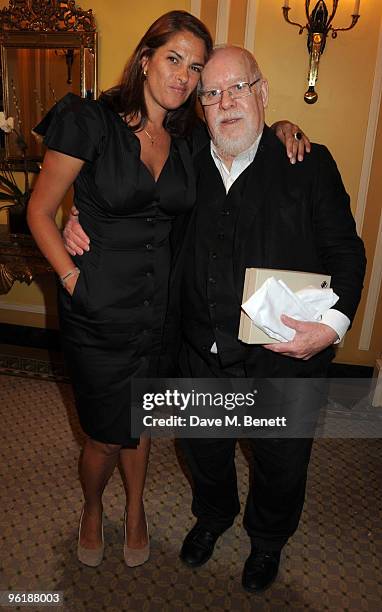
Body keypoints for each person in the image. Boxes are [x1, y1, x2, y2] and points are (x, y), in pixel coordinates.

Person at [37, 11, 309, 571]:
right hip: (98, 307)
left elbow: (242, 132)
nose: (184, 76)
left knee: (143, 424)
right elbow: (38, 210)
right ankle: (93, 506)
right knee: (106, 434)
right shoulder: (90, 121)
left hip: (162, 308)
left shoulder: (188, 136)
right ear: (145, 58)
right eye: (173, 59)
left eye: (195, 67)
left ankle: (135, 508)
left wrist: (282, 125)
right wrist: (70, 275)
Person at [173, 46, 366, 593]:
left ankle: (266, 540)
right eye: (211, 93)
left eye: (238, 88)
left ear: (261, 93)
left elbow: (346, 254)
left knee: (281, 463)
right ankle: (212, 516)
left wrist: (334, 327)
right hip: (201, 354)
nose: (225, 102)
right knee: (204, 451)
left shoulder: (306, 162)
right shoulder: (184, 160)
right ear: (200, 107)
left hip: (280, 360)